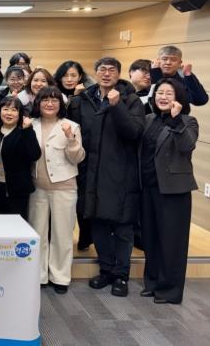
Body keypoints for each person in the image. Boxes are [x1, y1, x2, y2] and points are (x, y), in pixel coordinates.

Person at [67, 57, 145, 297]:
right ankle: (107, 270)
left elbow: (134, 132)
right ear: (95, 72)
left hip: (121, 173)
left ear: (119, 74)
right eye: (102, 69)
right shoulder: (83, 100)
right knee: (98, 225)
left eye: (112, 70)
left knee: (122, 227)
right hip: (90, 172)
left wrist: (117, 105)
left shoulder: (131, 100)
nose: (107, 74)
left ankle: (121, 275)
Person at [140, 78, 198, 304]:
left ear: (178, 98)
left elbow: (187, 146)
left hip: (174, 191)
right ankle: (152, 282)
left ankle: (170, 290)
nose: (163, 97)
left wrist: (175, 120)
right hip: (148, 187)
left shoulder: (188, 121)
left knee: (172, 242)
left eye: (168, 93)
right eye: (159, 92)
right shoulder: (148, 119)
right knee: (150, 238)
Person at [29, 86, 86, 294]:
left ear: (61, 104)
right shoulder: (30, 124)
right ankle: (39, 275)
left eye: (54, 100)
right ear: (38, 103)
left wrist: (71, 138)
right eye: (45, 100)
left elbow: (77, 158)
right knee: (38, 233)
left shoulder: (71, 125)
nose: (49, 103)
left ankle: (60, 277)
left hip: (64, 187)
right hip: (36, 187)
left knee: (62, 234)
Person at [0, 96, 41, 219]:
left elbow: (34, 155)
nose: (9, 113)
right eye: (5, 109)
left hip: (18, 190)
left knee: (16, 225)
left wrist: (28, 130)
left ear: (20, 114)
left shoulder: (24, 131)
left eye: (14, 110)